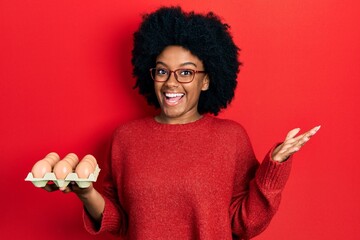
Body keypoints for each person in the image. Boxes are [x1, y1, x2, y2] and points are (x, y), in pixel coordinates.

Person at [43, 6, 320, 240]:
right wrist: (85, 192)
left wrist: (275, 165)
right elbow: (120, 220)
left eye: (186, 72)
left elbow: (243, 223)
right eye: (162, 71)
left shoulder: (230, 138)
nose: (171, 82)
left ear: (207, 80)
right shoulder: (125, 138)